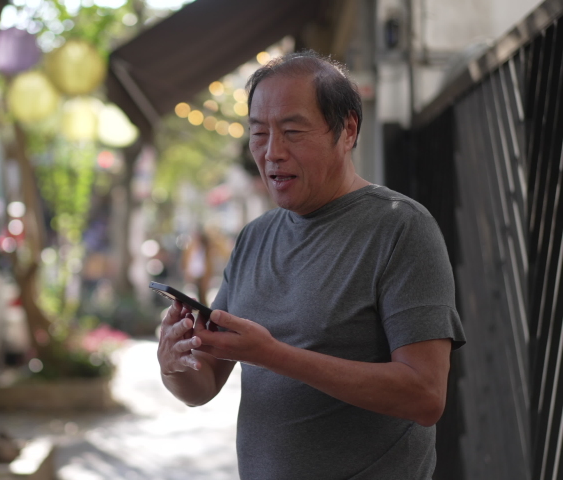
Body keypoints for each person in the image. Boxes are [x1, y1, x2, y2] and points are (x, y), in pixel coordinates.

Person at [157, 50, 466, 479]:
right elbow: (204, 383)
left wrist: (276, 356)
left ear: (348, 131)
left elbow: (426, 396)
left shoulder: (401, 227)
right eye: (259, 133)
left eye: (293, 131)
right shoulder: (254, 237)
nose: (272, 153)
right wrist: (173, 364)